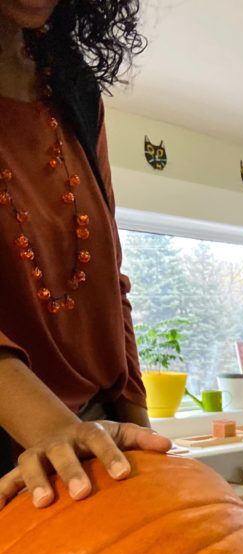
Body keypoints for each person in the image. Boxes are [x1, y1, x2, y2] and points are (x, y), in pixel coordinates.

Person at [0, 0, 169, 511]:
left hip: (97, 435)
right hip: (22, 454)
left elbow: (107, 280)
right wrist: (53, 430)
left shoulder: (73, 86)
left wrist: (143, 438)